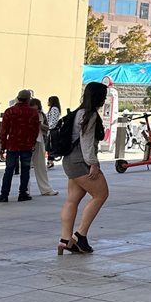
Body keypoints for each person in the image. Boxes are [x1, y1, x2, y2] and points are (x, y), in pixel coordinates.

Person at [59, 82, 110, 255]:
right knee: (101, 194)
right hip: (81, 161)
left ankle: (65, 239)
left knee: (72, 199)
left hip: (69, 161)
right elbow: (87, 141)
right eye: (103, 96)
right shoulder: (89, 115)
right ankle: (80, 235)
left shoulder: (76, 113)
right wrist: (93, 163)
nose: (104, 99)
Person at [0, 90, 40, 202]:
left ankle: (4, 194)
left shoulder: (10, 111)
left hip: (13, 144)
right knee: (25, 170)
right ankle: (23, 193)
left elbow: (4, 131)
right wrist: (33, 143)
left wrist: (2, 147)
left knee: (9, 170)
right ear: (29, 99)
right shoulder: (33, 112)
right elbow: (35, 129)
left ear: (18, 98)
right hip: (27, 144)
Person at [30, 98, 58, 196]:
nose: (36, 111)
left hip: (39, 140)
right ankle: (25, 190)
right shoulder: (27, 114)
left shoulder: (42, 115)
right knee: (25, 167)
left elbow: (47, 128)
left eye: (37, 109)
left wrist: (40, 125)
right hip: (29, 141)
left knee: (41, 166)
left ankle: (45, 189)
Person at [46, 96, 62, 167]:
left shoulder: (54, 109)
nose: (48, 102)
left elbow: (53, 120)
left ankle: (50, 161)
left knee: (50, 145)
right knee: (49, 146)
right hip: (50, 129)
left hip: (52, 130)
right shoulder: (52, 109)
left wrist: (49, 128)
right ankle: (50, 161)